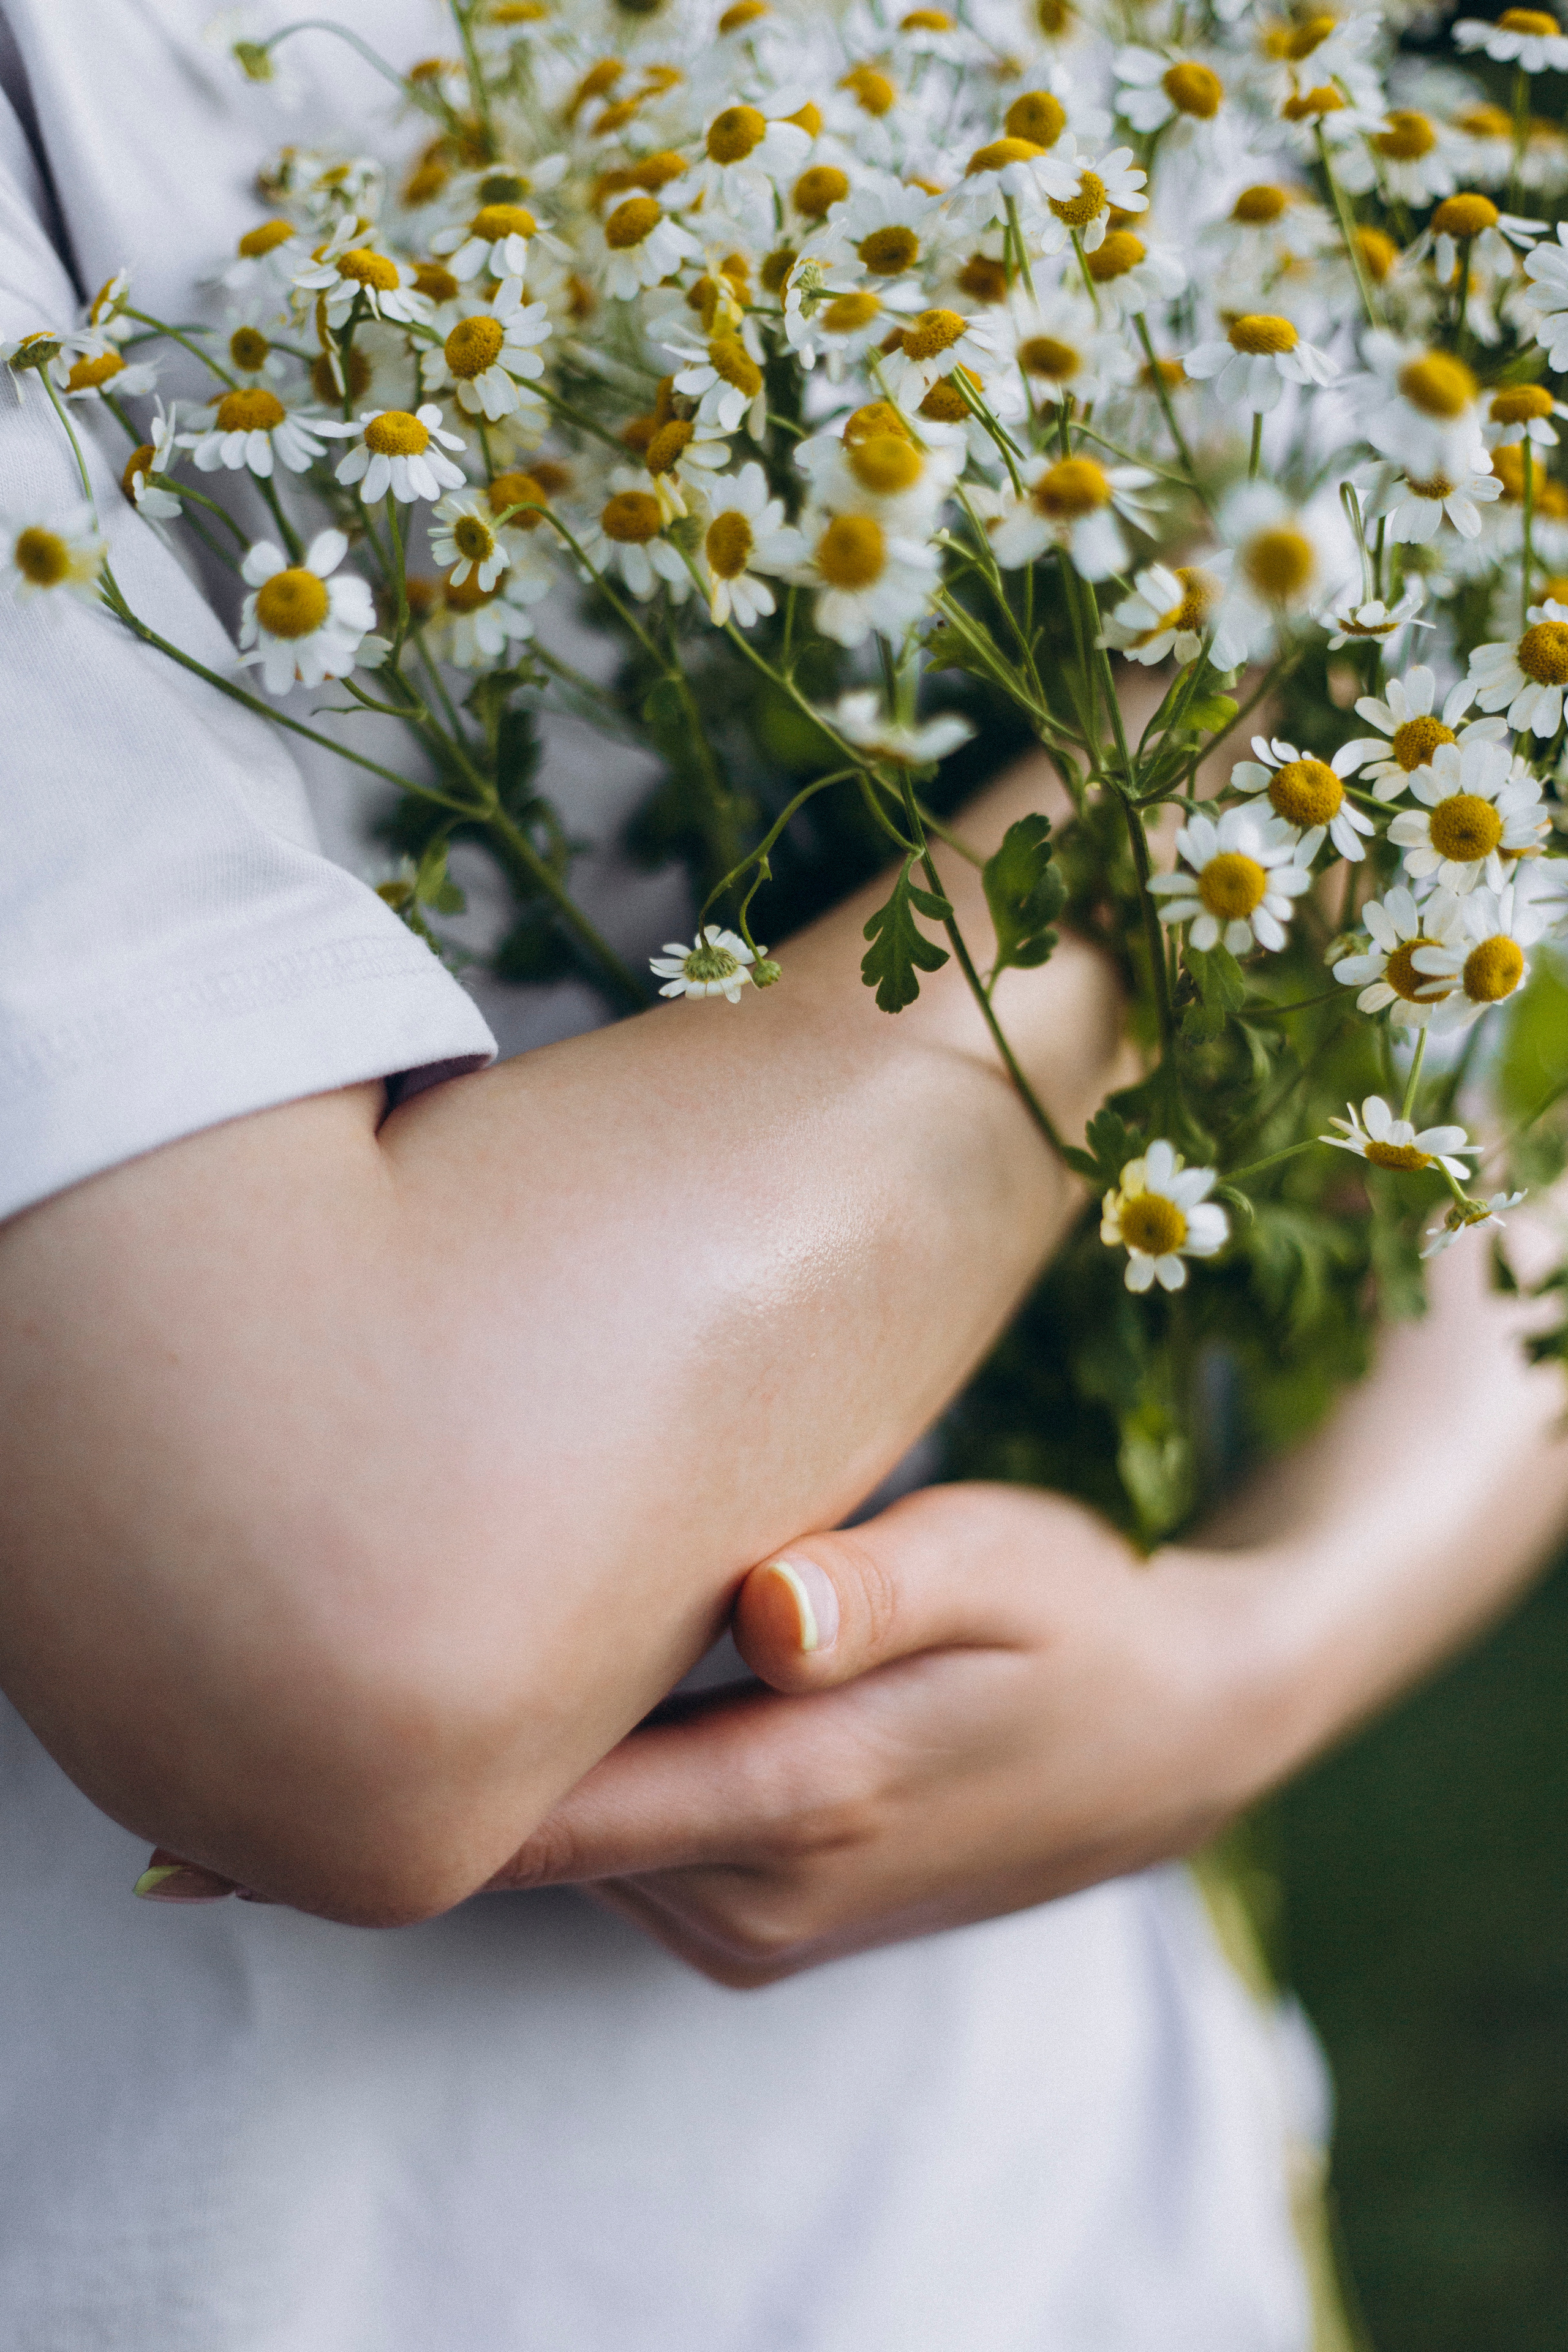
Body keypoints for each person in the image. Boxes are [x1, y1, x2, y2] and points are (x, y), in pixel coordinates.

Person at [3, 7, 1567, 2345]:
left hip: (1079, 2211)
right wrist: (1236, 734)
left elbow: (1499, 1035)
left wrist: (1257, 1647)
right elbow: (363, 1598)